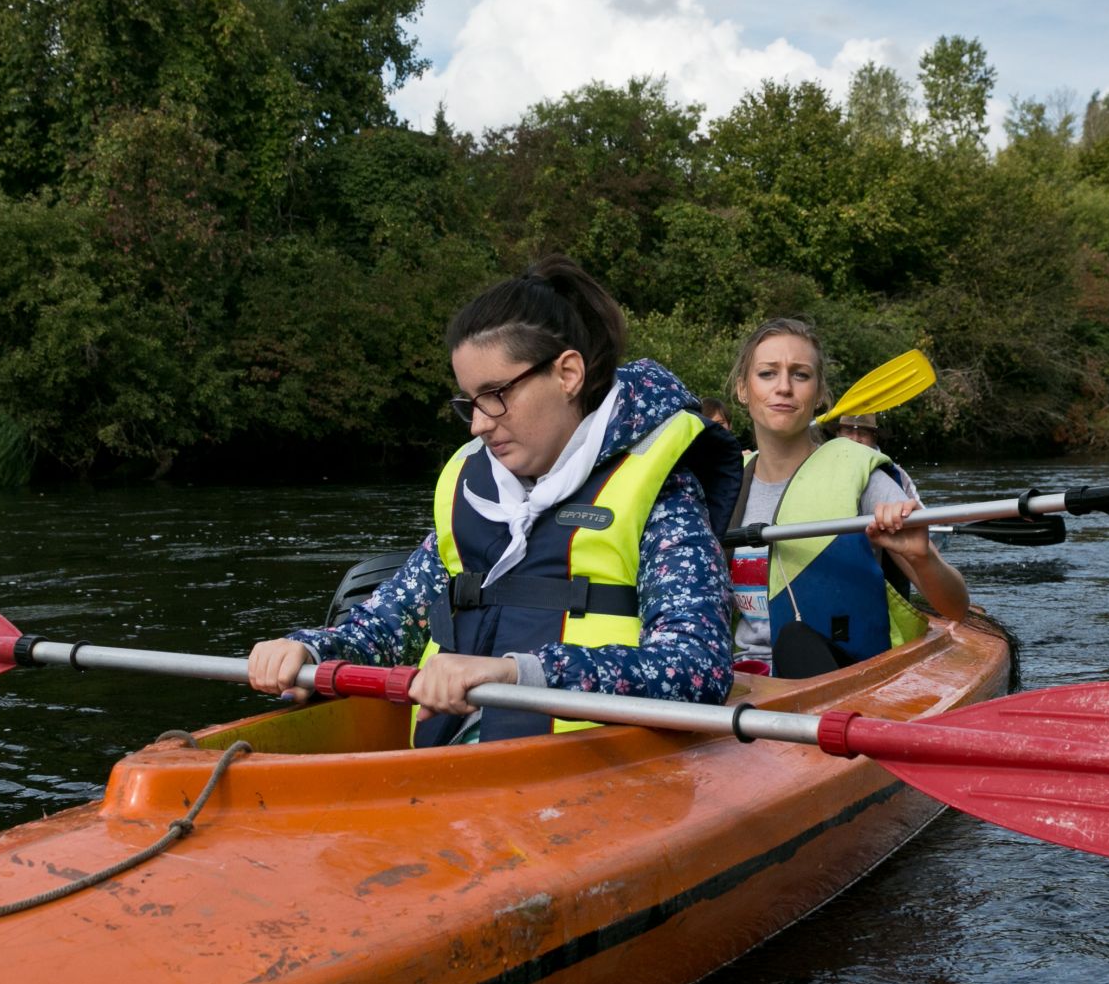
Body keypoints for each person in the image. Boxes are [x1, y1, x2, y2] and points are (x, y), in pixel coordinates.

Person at [247, 256, 741, 746]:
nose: (479, 424)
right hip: (457, 764)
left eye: (495, 394)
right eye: (469, 401)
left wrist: (517, 673)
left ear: (568, 374)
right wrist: (310, 649)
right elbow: (390, 625)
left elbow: (697, 667)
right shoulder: (472, 491)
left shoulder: (665, 494)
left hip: (594, 767)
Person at [727, 318, 968, 675]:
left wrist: (922, 558)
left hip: (840, 676)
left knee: (796, 643)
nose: (784, 387)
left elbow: (955, 608)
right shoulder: (727, 484)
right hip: (743, 679)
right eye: (767, 374)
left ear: (820, 394)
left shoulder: (860, 474)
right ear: (743, 389)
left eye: (800, 375)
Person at [833, 412, 919, 503]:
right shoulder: (825, 467)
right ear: (838, 435)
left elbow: (920, 509)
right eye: (849, 432)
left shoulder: (897, 474)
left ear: (874, 439)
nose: (855, 439)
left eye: (863, 433)